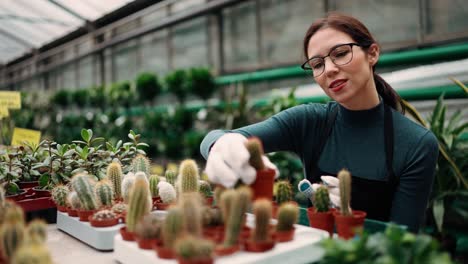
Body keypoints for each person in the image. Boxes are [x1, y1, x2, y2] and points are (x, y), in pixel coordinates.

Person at [200, 12, 438, 232]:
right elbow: (215, 137)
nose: (330, 69)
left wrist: (349, 220)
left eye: (341, 54)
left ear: (372, 53)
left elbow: (402, 242)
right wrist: (222, 144)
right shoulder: (310, 121)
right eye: (317, 64)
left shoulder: (416, 144)